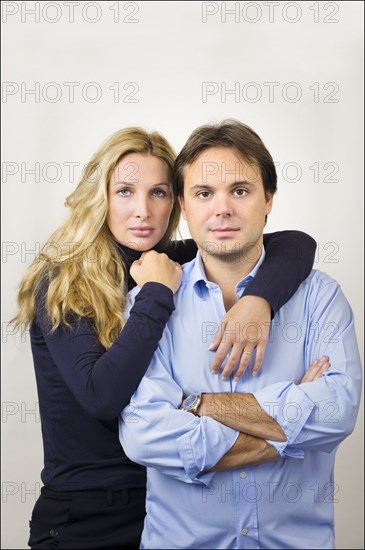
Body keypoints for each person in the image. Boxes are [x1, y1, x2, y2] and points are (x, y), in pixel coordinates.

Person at [13, 126, 316, 549]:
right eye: (125, 191)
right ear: (99, 197)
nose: (143, 211)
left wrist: (258, 302)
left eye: (158, 193)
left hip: (170, 505)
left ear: (176, 202)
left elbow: (295, 244)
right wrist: (156, 293)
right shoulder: (65, 281)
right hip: (86, 516)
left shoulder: (170, 258)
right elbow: (102, 396)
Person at [119, 120, 362, 550]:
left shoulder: (320, 297)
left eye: (241, 190)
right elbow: (144, 434)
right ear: (184, 205)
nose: (223, 209)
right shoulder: (150, 304)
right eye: (204, 193)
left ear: (268, 200)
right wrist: (285, 431)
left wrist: (195, 405)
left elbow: (336, 412)